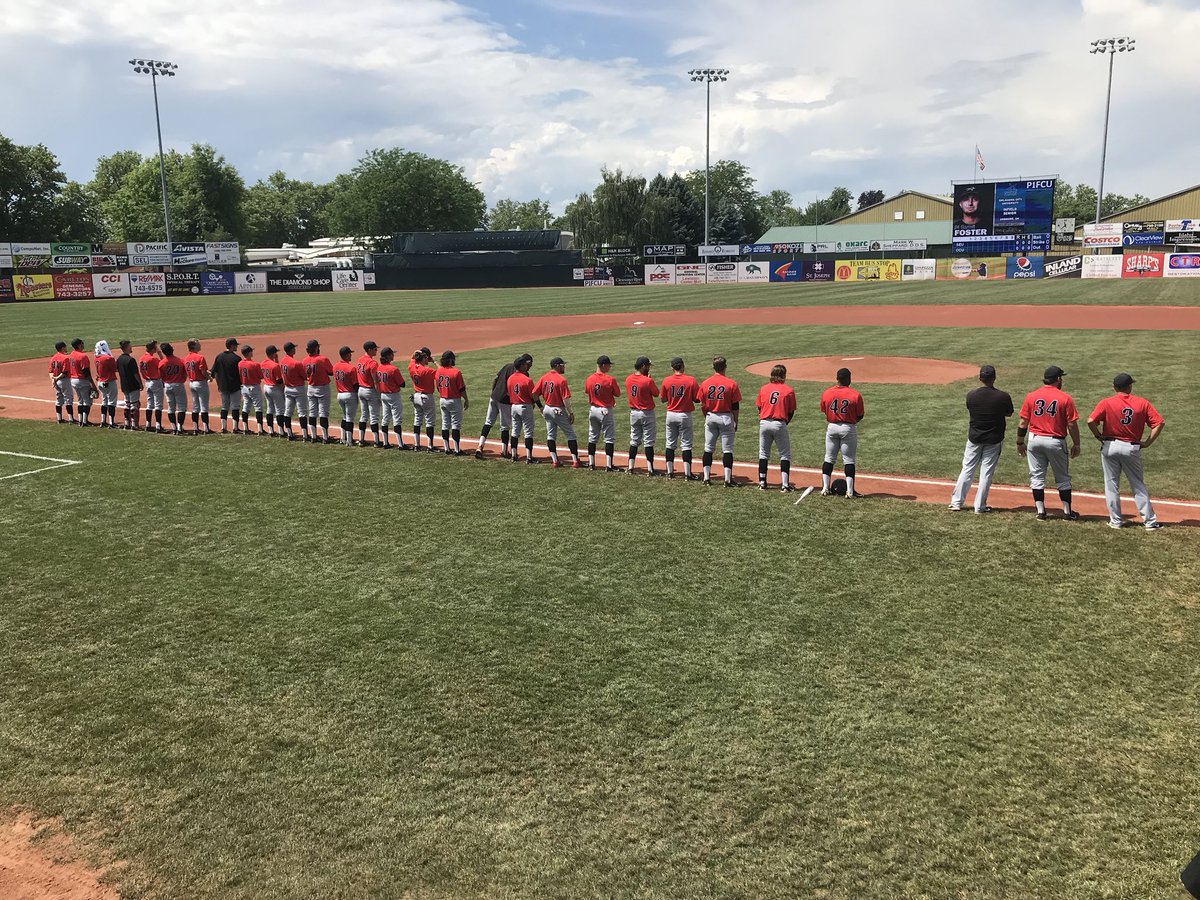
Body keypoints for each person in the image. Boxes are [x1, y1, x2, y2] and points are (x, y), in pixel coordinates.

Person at [1086, 373, 1164, 531]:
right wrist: (1147, 442)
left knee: (1111, 484)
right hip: (1131, 447)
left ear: (1114, 387)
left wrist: (1098, 436)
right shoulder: (1142, 403)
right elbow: (1159, 423)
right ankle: (1150, 522)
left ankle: (1115, 521)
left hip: (1109, 446)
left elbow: (1090, 421)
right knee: (1137, 484)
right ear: (1130, 386)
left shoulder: (1106, 402)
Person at [1017, 365, 1081, 521]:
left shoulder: (1031, 396)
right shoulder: (1065, 398)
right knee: (1063, 478)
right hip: (1055, 442)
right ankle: (1067, 512)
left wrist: (1020, 442)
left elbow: (1023, 422)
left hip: (1034, 440)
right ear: (1058, 379)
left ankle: (1041, 512)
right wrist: (1076, 443)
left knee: (1037, 476)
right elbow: (1071, 424)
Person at [949, 364, 1014, 514]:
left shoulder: (971, 395)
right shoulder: (1003, 396)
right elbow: (1009, 413)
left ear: (980, 378)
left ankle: (956, 502)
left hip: (974, 438)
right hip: (994, 439)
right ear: (994, 378)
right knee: (986, 472)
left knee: (967, 469)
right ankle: (980, 506)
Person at [819, 367, 865, 497]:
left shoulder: (827, 393)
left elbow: (823, 409)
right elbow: (860, 415)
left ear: (837, 378)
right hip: (848, 427)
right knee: (849, 460)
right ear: (848, 379)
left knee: (829, 458)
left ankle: (825, 488)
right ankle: (850, 491)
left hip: (832, 427)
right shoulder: (855, 395)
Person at [478, 354, 531, 459]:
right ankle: (504, 451)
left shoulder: (506, 366)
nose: (530, 366)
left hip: (494, 397)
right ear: (524, 363)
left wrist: (494, 392)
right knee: (505, 427)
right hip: (505, 401)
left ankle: (480, 446)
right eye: (529, 364)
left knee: (488, 422)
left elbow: (495, 379)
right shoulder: (523, 374)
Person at [700, 356, 741, 486]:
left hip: (711, 416)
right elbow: (735, 406)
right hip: (725, 418)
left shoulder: (705, 383)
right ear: (725, 367)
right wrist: (736, 421)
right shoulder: (731, 383)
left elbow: (702, 404)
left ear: (713, 368)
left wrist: (707, 415)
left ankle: (706, 478)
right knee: (727, 450)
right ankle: (727, 480)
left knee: (708, 448)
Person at [533, 356, 581, 468]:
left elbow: (534, 394)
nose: (564, 367)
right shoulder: (561, 380)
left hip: (547, 409)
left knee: (551, 435)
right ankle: (575, 461)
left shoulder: (544, 377)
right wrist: (571, 413)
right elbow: (566, 400)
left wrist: (541, 407)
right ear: (558, 366)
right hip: (558, 409)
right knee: (570, 435)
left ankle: (555, 461)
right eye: (563, 365)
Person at [660, 356, 702, 480]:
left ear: (672, 368)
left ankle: (669, 472)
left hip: (671, 414)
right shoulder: (691, 380)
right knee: (686, 444)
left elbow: (663, 399)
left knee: (670, 443)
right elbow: (697, 398)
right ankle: (688, 474)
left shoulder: (666, 380)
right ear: (683, 366)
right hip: (685, 415)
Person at [756, 364, 796, 491]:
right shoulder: (788, 390)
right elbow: (791, 411)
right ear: (783, 375)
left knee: (763, 454)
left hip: (764, 422)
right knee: (784, 455)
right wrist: (784, 422)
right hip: (779, 423)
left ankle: (762, 482)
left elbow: (759, 407)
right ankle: (784, 484)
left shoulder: (763, 389)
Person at [583, 354, 620, 471]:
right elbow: (617, 393)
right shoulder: (610, 379)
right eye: (609, 365)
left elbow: (586, 391)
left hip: (593, 410)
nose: (609, 367)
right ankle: (609, 465)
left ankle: (591, 464)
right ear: (603, 365)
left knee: (592, 437)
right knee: (609, 438)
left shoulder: (589, 378)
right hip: (605, 410)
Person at [625, 356, 660, 475]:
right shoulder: (647, 381)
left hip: (634, 413)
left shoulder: (628, 379)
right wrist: (650, 380)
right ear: (643, 366)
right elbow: (656, 393)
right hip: (647, 413)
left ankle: (630, 467)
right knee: (648, 442)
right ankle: (650, 469)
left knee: (634, 440)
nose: (649, 368)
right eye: (648, 366)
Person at [434, 349, 469, 455]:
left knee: (445, 425)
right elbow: (461, 389)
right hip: (454, 401)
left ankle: (446, 448)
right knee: (455, 425)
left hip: (443, 400)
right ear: (450, 360)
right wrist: (466, 399)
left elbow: (438, 387)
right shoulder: (456, 372)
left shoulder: (438, 371)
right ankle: (457, 450)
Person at [506, 356, 538, 463]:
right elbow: (532, 395)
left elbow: (508, 393)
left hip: (514, 406)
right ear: (521, 366)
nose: (527, 366)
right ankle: (529, 457)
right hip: (525, 407)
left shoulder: (510, 378)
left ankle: (514, 455)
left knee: (515, 431)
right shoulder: (527, 380)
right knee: (528, 432)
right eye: (525, 364)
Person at [303, 339, 335, 443]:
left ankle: (313, 437)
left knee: (312, 413)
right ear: (316, 348)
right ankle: (325, 438)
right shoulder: (323, 359)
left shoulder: (304, 361)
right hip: (322, 389)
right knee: (323, 413)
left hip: (311, 388)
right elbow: (331, 372)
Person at [375, 347, 408, 449]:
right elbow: (402, 384)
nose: (393, 355)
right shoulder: (393, 369)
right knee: (397, 419)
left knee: (385, 418)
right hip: (393, 396)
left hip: (383, 395)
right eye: (392, 354)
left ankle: (385, 443)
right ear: (389, 356)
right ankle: (400, 444)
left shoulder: (379, 368)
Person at [210, 337, 243, 434]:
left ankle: (223, 427)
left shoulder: (219, 357)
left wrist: (219, 385)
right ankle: (235, 428)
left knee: (224, 407)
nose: (237, 346)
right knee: (235, 407)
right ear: (232, 346)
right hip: (235, 386)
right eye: (236, 345)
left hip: (223, 386)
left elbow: (214, 373)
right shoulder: (237, 358)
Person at [183, 339, 214, 434]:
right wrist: (209, 377)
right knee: (204, 406)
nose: (200, 345)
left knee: (195, 406)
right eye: (198, 344)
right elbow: (203, 371)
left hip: (192, 383)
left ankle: (195, 428)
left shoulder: (186, 358)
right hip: (201, 383)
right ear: (194, 346)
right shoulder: (200, 357)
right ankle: (206, 428)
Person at [409, 347, 438, 450]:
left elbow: (412, 358)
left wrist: (416, 353)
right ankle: (430, 446)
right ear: (424, 358)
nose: (428, 360)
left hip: (416, 396)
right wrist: (434, 361)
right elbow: (441, 372)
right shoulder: (427, 370)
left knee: (417, 421)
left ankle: (417, 445)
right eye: (427, 358)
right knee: (429, 422)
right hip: (427, 397)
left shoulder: (411, 367)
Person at [279, 341, 307, 441]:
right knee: (302, 412)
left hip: (287, 389)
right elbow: (305, 376)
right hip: (298, 388)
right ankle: (305, 435)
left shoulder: (282, 361)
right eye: (294, 348)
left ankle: (289, 434)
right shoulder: (296, 363)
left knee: (288, 412)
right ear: (291, 350)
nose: (295, 349)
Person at [356, 340, 382, 447]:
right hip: (370, 390)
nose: (376, 351)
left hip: (361, 390)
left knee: (363, 416)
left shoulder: (359, 360)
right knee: (374, 416)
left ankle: (361, 439)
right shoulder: (372, 363)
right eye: (375, 349)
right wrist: (379, 395)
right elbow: (375, 380)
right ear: (370, 350)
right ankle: (376, 441)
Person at [333, 346, 360, 445]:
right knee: (349, 418)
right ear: (347, 355)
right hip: (350, 395)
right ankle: (349, 440)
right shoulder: (351, 368)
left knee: (344, 417)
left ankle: (342, 438)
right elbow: (355, 384)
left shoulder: (335, 366)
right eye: (350, 353)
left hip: (340, 395)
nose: (351, 355)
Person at [67, 338, 97, 426]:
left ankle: (80, 420)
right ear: (79, 345)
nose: (83, 345)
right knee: (87, 401)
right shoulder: (82, 356)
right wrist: (92, 385)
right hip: (82, 380)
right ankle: (84, 421)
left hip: (73, 380)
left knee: (80, 401)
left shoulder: (71, 355)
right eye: (82, 343)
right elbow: (86, 373)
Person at [159, 342, 188, 435]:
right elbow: (185, 373)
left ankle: (174, 428)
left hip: (167, 385)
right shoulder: (180, 361)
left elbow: (161, 376)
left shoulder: (162, 362)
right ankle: (180, 428)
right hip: (178, 384)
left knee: (171, 408)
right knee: (181, 407)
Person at [237, 345, 266, 435]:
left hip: (244, 387)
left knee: (246, 407)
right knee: (258, 408)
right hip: (254, 387)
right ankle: (260, 430)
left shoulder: (240, 363)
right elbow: (261, 376)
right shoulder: (255, 364)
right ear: (249, 353)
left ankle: (245, 428)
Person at [138, 340, 165, 433]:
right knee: (158, 405)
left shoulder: (142, 358)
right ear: (153, 348)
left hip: (147, 382)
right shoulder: (152, 359)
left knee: (150, 404)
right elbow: (164, 363)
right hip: (155, 382)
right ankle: (158, 426)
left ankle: (148, 425)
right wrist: (160, 353)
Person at [115, 340, 143, 430]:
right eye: (130, 346)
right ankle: (134, 425)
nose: (131, 347)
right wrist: (140, 383)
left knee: (127, 404)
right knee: (134, 405)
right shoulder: (131, 360)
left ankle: (127, 423)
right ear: (127, 348)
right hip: (133, 385)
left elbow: (117, 369)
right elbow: (135, 374)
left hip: (124, 385)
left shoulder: (119, 359)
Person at [260, 346, 286, 437]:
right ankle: (281, 431)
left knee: (270, 409)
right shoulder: (275, 366)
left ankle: (271, 430)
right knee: (280, 410)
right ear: (273, 353)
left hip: (266, 387)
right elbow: (279, 381)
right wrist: (283, 390)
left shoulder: (263, 363)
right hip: (274, 388)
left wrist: (276, 360)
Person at [93, 341, 118, 428]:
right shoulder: (108, 358)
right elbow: (115, 369)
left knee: (104, 401)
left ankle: (103, 421)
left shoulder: (96, 358)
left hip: (100, 382)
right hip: (109, 381)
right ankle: (111, 422)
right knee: (112, 402)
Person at [49, 341, 72, 424]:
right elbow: (65, 372)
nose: (66, 348)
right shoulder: (65, 358)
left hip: (56, 381)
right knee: (68, 398)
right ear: (62, 348)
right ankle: (71, 419)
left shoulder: (53, 358)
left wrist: (53, 379)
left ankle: (59, 419)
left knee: (59, 399)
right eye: (65, 347)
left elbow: (50, 371)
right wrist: (57, 378)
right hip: (63, 380)